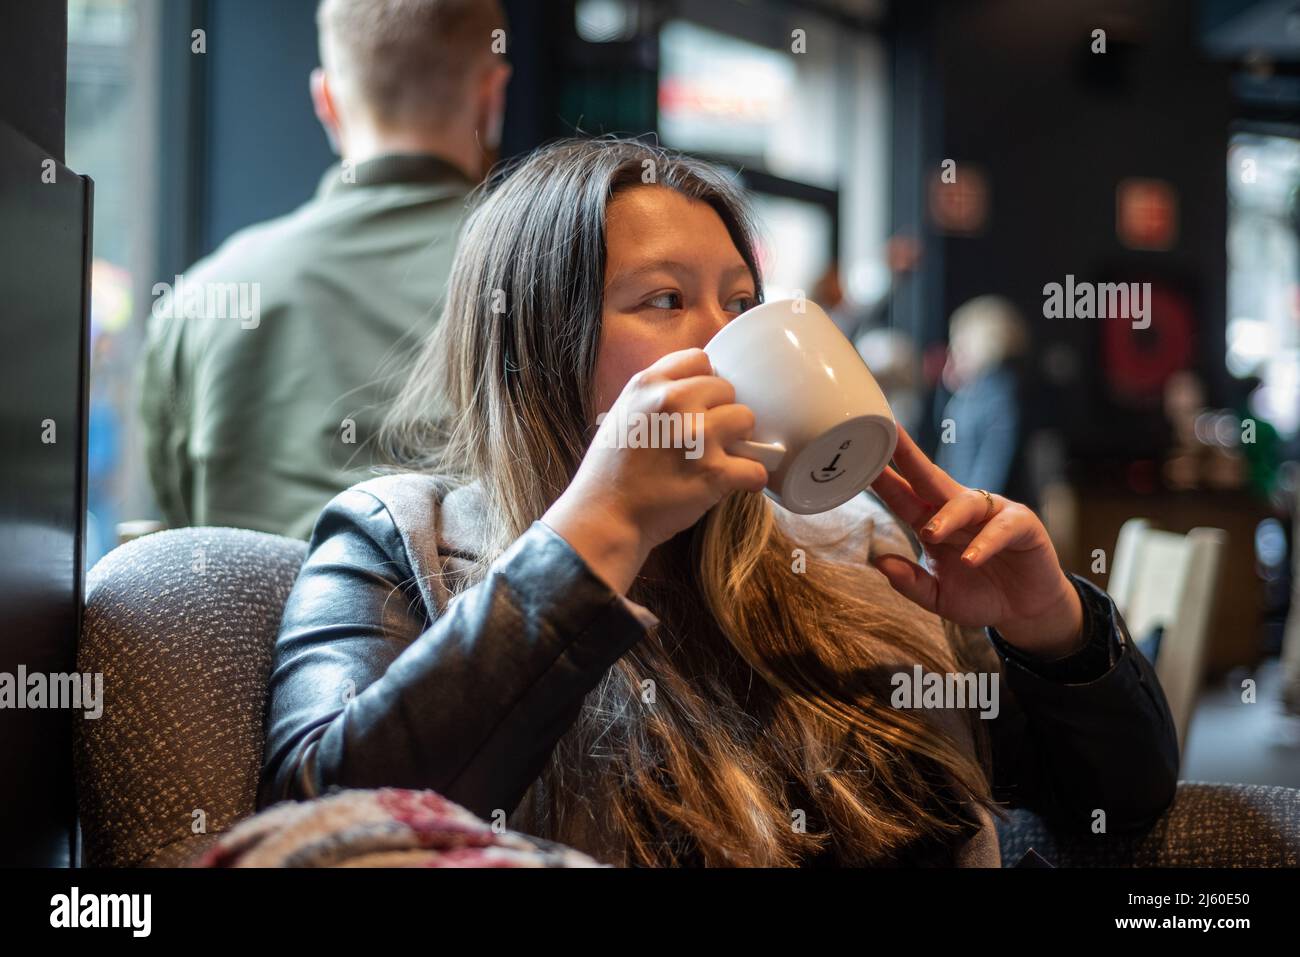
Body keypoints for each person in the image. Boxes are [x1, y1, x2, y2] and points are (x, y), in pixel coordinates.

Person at [257, 138, 1178, 867]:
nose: (724, 338)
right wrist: (596, 532)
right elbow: (318, 831)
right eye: (664, 299)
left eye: (741, 302)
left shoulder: (857, 548)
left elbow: (1119, 814)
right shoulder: (401, 540)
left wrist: (1051, 632)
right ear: (532, 351)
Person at [140, 0, 511, 539]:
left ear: (327, 100)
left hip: (252, 624)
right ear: (491, 97)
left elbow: (179, 544)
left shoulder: (201, 298)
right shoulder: (563, 288)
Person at [933, 295, 1036, 509]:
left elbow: (992, 469)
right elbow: (947, 453)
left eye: (959, 347)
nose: (953, 356)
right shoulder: (962, 399)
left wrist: (965, 510)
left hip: (985, 515)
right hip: (964, 507)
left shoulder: (999, 398)